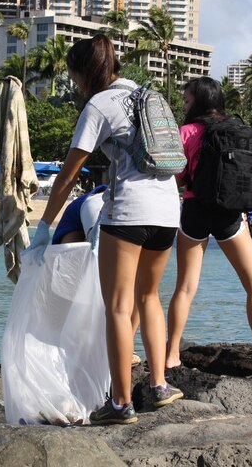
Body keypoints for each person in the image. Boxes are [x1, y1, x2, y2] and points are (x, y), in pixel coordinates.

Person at [25, 34, 183, 426]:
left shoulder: (99, 104)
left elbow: (68, 173)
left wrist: (45, 225)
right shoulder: (147, 94)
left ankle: (120, 404)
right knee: (149, 297)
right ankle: (160, 386)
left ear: (83, 73)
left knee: (118, 305)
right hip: (168, 211)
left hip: (128, 212)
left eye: (75, 77)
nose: (75, 85)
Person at [165, 77, 252, 373]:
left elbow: (177, 176)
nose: (184, 105)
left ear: (199, 101)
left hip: (194, 210)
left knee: (185, 287)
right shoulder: (240, 132)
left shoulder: (185, 132)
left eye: (187, 100)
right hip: (230, 216)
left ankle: (171, 356)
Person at [52, 184, 142, 366]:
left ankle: (124, 344)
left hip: (124, 209)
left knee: (135, 286)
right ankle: (77, 341)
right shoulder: (85, 208)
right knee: (76, 280)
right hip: (93, 210)